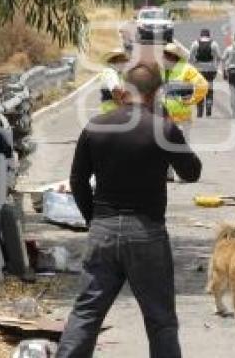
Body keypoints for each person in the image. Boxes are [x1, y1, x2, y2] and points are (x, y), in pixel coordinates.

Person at [57, 63, 202, 358]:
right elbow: (192, 173)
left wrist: (93, 220)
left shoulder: (96, 126)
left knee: (86, 313)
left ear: (123, 90)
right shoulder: (163, 128)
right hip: (147, 231)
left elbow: (77, 180)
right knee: (160, 319)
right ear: (157, 92)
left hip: (103, 229)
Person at [161, 42, 208, 125]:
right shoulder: (163, 70)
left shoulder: (187, 69)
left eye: (165, 56)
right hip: (164, 119)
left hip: (181, 121)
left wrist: (191, 100)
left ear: (173, 57)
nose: (163, 58)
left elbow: (202, 85)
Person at [189, 29, 221, 117]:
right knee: (209, 90)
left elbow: (190, 57)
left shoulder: (195, 43)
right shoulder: (214, 44)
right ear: (209, 35)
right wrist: (215, 66)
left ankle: (199, 111)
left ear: (201, 35)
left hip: (199, 69)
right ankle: (209, 107)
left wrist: (192, 66)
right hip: (210, 69)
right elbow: (218, 57)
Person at [99, 48, 129, 114]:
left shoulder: (116, 72)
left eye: (125, 61)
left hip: (111, 109)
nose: (125, 63)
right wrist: (123, 109)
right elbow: (116, 91)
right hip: (112, 109)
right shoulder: (110, 72)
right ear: (114, 60)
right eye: (123, 60)